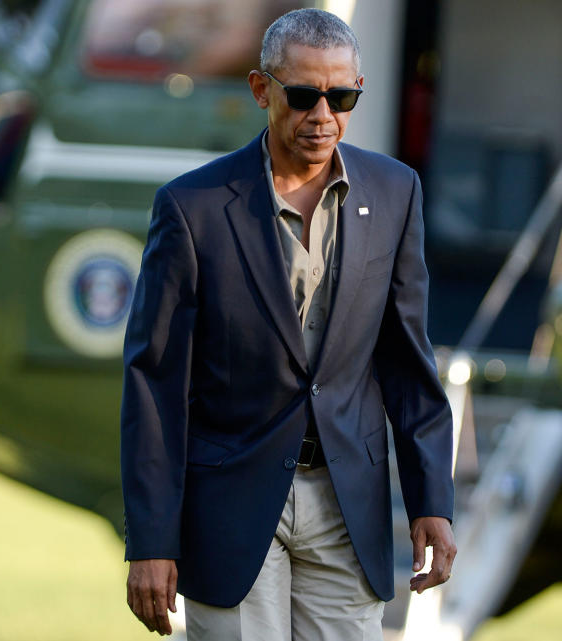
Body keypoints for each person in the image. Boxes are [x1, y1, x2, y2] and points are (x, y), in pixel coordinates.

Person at [120, 9, 456, 640]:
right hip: (231, 507)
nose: (323, 114)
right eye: (303, 95)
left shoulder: (395, 192)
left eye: (343, 95)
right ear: (261, 89)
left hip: (346, 508)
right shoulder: (190, 208)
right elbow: (155, 385)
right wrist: (152, 538)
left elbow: (408, 362)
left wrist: (431, 500)